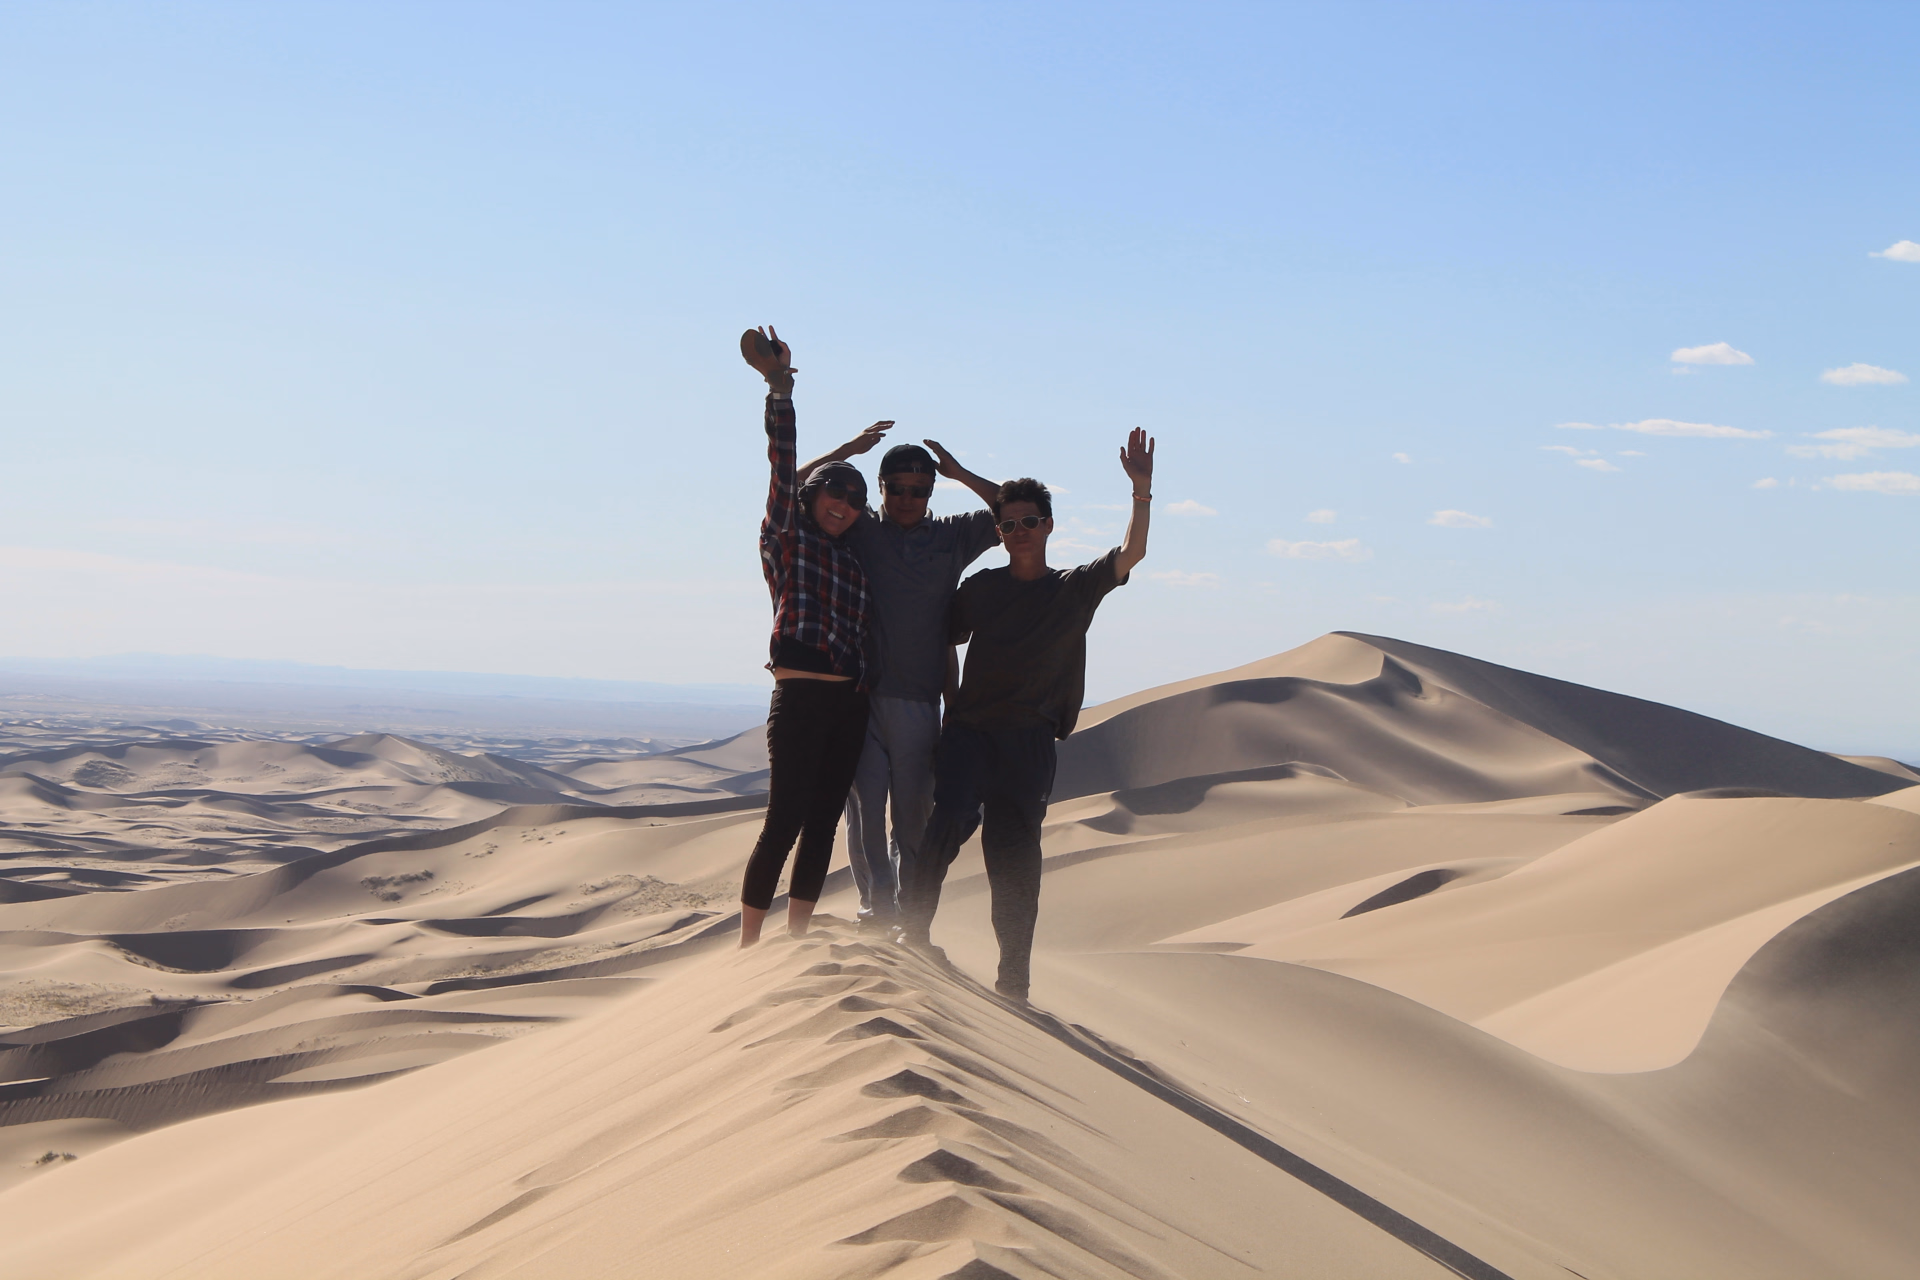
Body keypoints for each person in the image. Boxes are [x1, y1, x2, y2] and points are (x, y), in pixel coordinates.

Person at [898, 429, 1157, 1002]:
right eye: (1009, 525)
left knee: (1014, 864)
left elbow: (1131, 553)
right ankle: (912, 934)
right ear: (999, 533)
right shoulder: (980, 588)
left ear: (1048, 526)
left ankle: (1013, 976)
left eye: (1029, 522)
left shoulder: (1072, 589)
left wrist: (1141, 492)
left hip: (1028, 746)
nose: (1019, 532)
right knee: (943, 829)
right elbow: (943, 639)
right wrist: (948, 705)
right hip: (969, 734)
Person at [796, 431, 1002, 930]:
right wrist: (844, 454)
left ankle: (912, 918)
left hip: (920, 701)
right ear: (881, 488)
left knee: (914, 818)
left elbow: (1012, 508)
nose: (908, 499)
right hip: (859, 697)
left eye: (920, 489)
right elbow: (796, 488)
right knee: (864, 815)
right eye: (898, 488)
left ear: (933, 491)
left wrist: (960, 472)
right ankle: (875, 911)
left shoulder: (953, 536)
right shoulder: (863, 529)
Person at [736, 325, 872, 947]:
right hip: (798, 698)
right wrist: (780, 387)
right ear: (811, 498)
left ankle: (797, 939)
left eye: (855, 497)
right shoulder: (787, 539)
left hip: (849, 702)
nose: (844, 503)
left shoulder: (853, 558)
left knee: (823, 823)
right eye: (834, 492)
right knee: (783, 820)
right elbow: (783, 463)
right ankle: (746, 948)